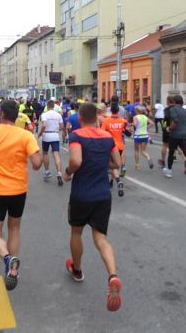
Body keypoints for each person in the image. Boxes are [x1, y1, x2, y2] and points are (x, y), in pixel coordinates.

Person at [0, 100, 42, 291]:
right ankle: (13, 271)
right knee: (14, 228)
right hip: (19, 190)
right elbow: (37, 163)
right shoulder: (26, 135)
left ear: (1, 114)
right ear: (16, 116)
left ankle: (8, 259)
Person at [61, 103, 123, 311]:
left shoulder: (77, 135)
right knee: (101, 238)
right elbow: (117, 162)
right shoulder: (106, 137)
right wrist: (100, 164)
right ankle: (113, 275)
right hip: (103, 195)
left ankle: (77, 270)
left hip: (82, 195)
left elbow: (76, 161)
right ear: (96, 117)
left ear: (80, 117)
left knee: (76, 232)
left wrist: (68, 171)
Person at [164, 95, 186, 183]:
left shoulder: (173, 109)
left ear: (174, 102)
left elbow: (175, 121)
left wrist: (169, 128)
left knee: (171, 153)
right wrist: (183, 123)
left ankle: (169, 171)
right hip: (184, 135)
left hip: (174, 135)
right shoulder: (185, 110)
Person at [101, 103, 128, 197]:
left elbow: (102, 133)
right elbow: (128, 132)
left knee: (112, 166)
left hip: (110, 146)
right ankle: (112, 182)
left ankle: (117, 181)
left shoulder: (106, 121)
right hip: (120, 146)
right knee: (115, 166)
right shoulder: (123, 121)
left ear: (111, 111)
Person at [39, 99, 65, 186]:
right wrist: (57, 129)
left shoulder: (44, 114)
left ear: (47, 106)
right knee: (56, 154)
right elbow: (62, 126)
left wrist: (40, 133)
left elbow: (44, 125)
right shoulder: (58, 115)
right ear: (54, 106)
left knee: (45, 153)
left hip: (46, 135)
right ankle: (59, 173)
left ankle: (47, 172)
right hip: (55, 135)